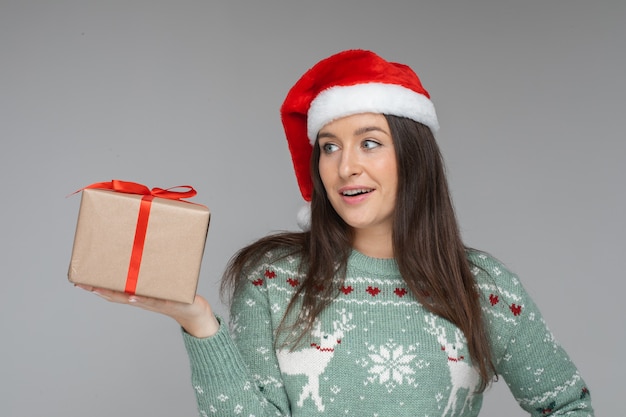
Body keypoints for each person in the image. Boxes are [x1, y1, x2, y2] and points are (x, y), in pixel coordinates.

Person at [78, 49, 594, 416]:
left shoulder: (485, 287)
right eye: (328, 146)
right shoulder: (271, 280)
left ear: (412, 157)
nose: (345, 166)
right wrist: (198, 322)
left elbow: (568, 405)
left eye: (369, 143)